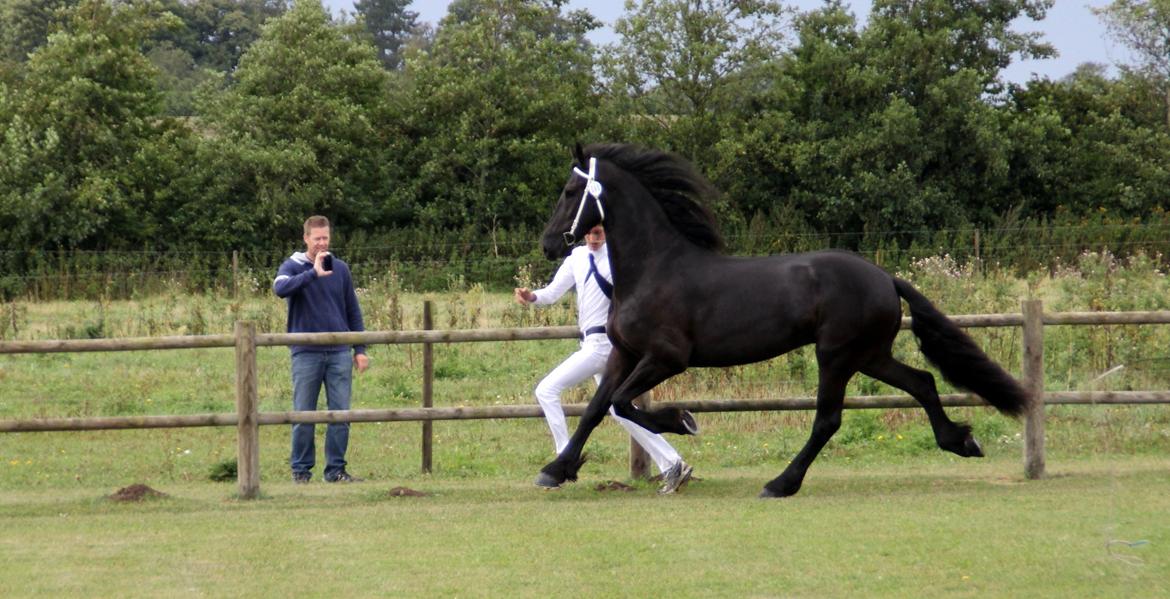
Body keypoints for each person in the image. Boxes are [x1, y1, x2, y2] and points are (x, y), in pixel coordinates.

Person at [514, 225, 694, 494]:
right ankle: (672, 464)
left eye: (598, 232)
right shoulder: (575, 258)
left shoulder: (618, 257)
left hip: (604, 346)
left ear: (607, 232)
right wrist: (531, 297)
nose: (593, 238)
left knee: (546, 390)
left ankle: (564, 457)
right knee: (618, 410)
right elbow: (552, 293)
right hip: (592, 343)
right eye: (588, 233)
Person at [273, 215, 370, 484]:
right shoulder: (292, 266)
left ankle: (336, 470)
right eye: (316, 238)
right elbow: (279, 289)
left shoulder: (341, 269)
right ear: (306, 239)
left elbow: (352, 311)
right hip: (305, 352)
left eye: (325, 237)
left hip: (339, 352)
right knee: (304, 414)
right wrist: (312, 273)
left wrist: (359, 349)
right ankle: (301, 471)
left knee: (340, 413)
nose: (321, 243)